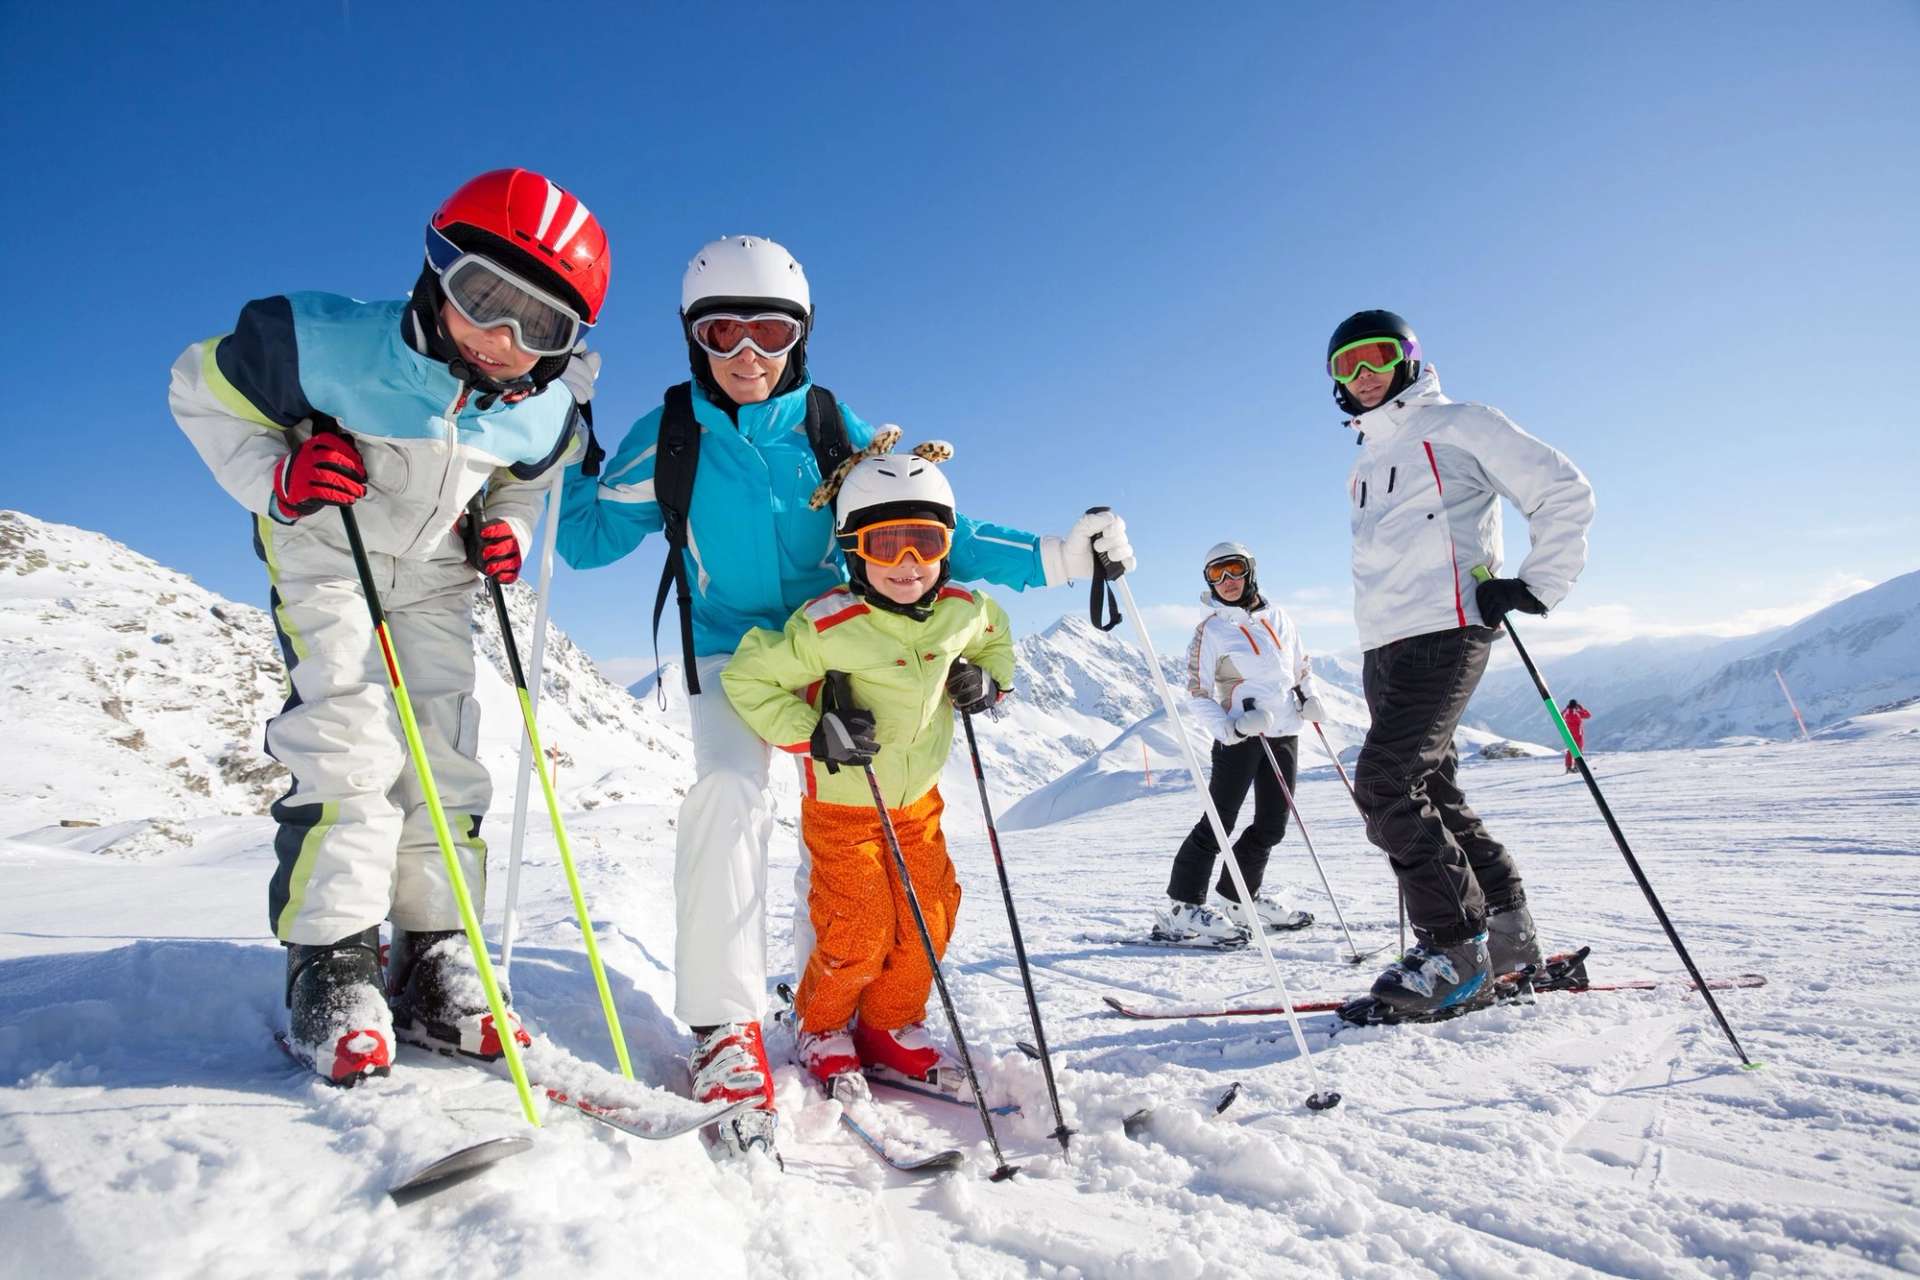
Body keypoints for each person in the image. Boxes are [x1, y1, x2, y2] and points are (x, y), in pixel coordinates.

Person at [556, 235, 1133, 1156]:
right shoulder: (670, 435)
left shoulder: (830, 425)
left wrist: (1059, 558)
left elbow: (920, 522)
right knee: (730, 796)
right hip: (733, 656)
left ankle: (829, 1006)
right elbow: (584, 540)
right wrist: (559, 424)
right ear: (693, 338)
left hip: (845, 644)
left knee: (847, 835)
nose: (748, 354)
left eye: (772, 331)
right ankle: (727, 1028)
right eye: (722, 332)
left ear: (803, 334)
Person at [168, 169, 609, 1083]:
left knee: (445, 752)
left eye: (542, 327)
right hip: (329, 548)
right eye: (483, 297)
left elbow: (530, 479)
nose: (503, 339)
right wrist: (279, 478)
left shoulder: (542, 407)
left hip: (439, 574)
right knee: (349, 738)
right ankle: (332, 961)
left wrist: (509, 528)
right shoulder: (318, 345)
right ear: (437, 269)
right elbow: (199, 390)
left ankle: (437, 951)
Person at [722, 443, 1012, 1096]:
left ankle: (888, 1025)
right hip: (844, 808)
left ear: (946, 545)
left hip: (919, 805)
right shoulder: (829, 624)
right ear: (855, 549)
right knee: (859, 925)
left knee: (930, 917)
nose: (908, 564)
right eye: (886, 545)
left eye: (925, 543)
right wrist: (813, 732)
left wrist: (987, 682)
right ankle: (821, 1026)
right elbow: (748, 678)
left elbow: (995, 638)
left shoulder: (963, 610)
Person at [1329, 309, 1594, 1015]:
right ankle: (1507, 935)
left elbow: (1562, 489)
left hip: (1447, 630)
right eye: (1347, 365)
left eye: (1377, 356)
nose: (1364, 374)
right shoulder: (1364, 461)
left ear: (1408, 359)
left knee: (1384, 781)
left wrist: (1536, 584)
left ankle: (1455, 949)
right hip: (1383, 644)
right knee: (1432, 790)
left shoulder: (1459, 424)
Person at [1154, 542, 1321, 944]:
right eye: (1217, 574)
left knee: (1272, 826)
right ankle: (1183, 907)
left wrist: (1309, 697)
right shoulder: (1211, 631)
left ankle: (1238, 898)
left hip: (1284, 732)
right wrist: (1232, 729)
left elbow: (1300, 668)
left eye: (1234, 569)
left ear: (1250, 571)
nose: (1227, 581)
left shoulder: (1280, 617)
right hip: (1240, 738)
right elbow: (1197, 692)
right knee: (1219, 823)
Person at [1562, 699, 1592, 773]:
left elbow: (1560, 715)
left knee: (1570, 750)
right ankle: (1577, 766)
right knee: (1579, 750)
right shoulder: (1578, 713)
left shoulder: (1566, 713)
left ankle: (1568, 767)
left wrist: (1566, 708)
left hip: (1569, 734)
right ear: (1576, 705)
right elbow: (1588, 715)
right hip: (1578, 734)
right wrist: (1581, 708)